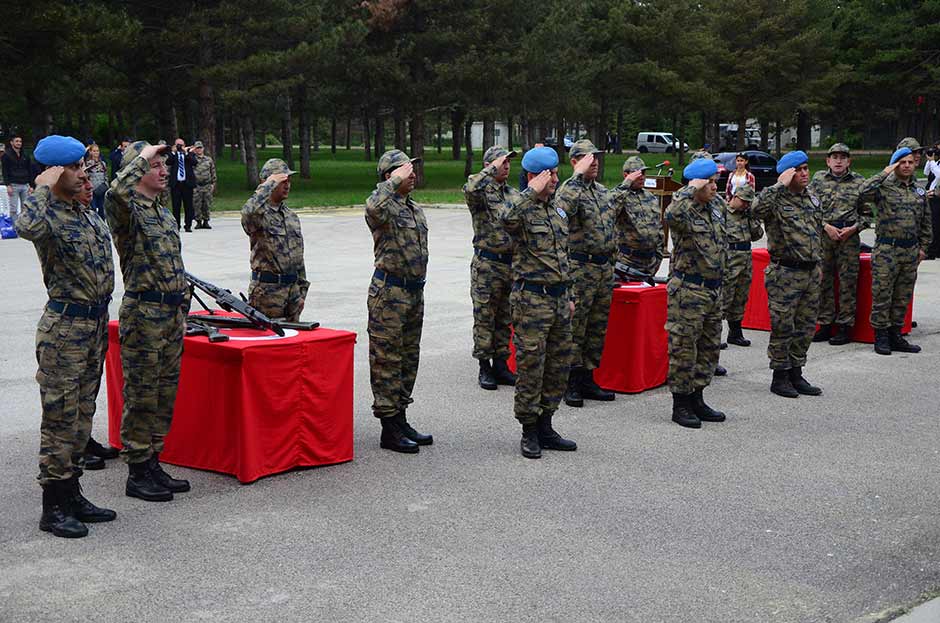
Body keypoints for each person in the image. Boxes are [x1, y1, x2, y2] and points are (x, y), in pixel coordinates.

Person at [15, 135, 117, 538]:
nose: (82, 173)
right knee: (60, 419)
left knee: (81, 416)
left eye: (82, 166)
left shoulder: (85, 212)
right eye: (73, 168)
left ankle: (72, 493)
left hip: (93, 325)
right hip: (65, 330)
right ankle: (53, 506)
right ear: (55, 172)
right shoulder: (47, 213)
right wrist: (41, 188)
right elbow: (26, 227)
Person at [106, 140, 191, 501]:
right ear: (139, 170)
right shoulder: (128, 210)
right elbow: (114, 192)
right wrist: (140, 156)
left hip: (171, 313)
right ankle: (137, 469)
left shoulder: (161, 211)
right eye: (155, 165)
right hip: (145, 313)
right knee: (141, 392)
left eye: (164, 165)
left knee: (164, 391)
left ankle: (153, 459)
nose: (164, 170)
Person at [500, 146, 576, 458]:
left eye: (558, 173)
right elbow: (505, 218)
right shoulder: (521, 208)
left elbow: (563, 257)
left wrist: (569, 295)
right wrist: (529, 192)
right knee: (531, 367)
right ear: (534, 176)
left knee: (557, 367)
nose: (557, 179)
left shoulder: (557, 210)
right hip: (532, 300)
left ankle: (547, 424)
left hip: (558, 300)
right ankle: (529, 430)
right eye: (551, 174)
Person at [365, 150, 433, 453]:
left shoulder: (414, 209)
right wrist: (393, 182)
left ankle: (401, 417)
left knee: (408, 358)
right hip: (389, 293)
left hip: (413, 292)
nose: (412, 173)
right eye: (405, 170)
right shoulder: (383, 206)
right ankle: (388, 427)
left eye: (413, 169)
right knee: (387, 360)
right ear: (389, 176)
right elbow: (372, 206)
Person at [752, 151, 823, 398]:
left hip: (811, 271)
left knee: (805, 326)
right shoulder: (775, 199)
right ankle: (779, 375)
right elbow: (755, 209)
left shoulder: (811, 197)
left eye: (806, 168)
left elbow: (816, 232)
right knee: (784, 326)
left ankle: (796, 371)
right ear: (788, 173)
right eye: (799, 170)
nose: (804, 174)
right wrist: (778, 184)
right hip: (785, 272)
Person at [663, 158, 727, 429]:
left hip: (713, 289)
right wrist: (690, 188)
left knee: (709, 347)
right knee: (684, 349)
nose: (715, 187)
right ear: (697, 184)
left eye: (715, 181)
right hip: (689, 289)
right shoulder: (684, 209)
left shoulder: (716, 207)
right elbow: (670, 215)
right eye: (709, 182)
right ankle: (681, 404)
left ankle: (698, 397)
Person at [555, 139, 616, 407]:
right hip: (581, 268)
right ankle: (571, 382)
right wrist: (577, 176)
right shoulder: (569, 190)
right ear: (575, 162)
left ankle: (589, 377)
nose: (596, 162)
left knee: (596, 326)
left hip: (603, 268)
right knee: (576, 326)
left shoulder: (602, 191)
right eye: (589, 159)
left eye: (597, 158)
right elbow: (561, 212)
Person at [858, 147, 931, 355]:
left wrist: (924, 248)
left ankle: (896, 335)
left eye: (910, 162)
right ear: (894, 164)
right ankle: (880, 337)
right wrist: (885, 172)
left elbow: (926, 222)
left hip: (910, 251)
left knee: (902, 296)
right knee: (882, 294)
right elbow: (862, 192)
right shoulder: (883, 188)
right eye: (902, 162)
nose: (907, 165)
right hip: (887, 250)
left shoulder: (919, 190)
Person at [463, 145, 520, 390]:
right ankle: (484, 367)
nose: (506, 165)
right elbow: (470, 188)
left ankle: (501, 365)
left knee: (504, 317)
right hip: (487, 264)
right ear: (489, 165)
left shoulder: (512, 193)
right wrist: (488, 171)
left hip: (510, 264)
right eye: (501, 162)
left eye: (508, 162)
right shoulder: (480, 192)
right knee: (485, 316)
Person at [807, 143, 868, 345]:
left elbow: (867, 214)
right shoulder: (817, 180)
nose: (839, 161)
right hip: (825, 236)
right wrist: (825, 226)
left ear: (849, 161)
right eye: (835, 157)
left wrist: (854, 228)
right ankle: (825, 324)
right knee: (823, 281)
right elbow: (809, 209)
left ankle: (844, 327)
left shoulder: (859, 181)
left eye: (843, 157)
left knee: (847, 283)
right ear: (828, 161)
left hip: (848, 237)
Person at [241, 158, 309, 322]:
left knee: (292, 342)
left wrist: (301, 292)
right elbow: (247, 213)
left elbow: (298, 257)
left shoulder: (291, 216)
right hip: (267, 293)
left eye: (289, 180)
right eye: (282, 181)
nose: (287, 185)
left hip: (292, 292)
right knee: (267, 343)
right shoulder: (258, 214)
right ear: (267, 183)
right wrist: (267, 185)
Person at [722, 184, 763, 347]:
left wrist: (752, 218)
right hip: (729, 258)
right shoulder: (723, 212)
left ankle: (735, 333)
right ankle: (714, 335)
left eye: (748, 202)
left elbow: (757, 235)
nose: (746, 205)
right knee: (725, 297)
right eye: (743, 201)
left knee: (740, 297)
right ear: (735, 197)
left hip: (745, 258)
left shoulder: (747, 215)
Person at [610, 156, 663, 280]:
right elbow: (610, 208)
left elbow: (659, 229)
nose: (642, 176)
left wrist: (658, 257)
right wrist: (626, 184)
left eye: (643, 173)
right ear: (626, 175)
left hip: (650, 263)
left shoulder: (650, 197)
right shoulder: (619, 195)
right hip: (627, 261)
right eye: (637, 173)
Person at [166, 138, 197, 232]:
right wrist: (173, 152)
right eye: (178, 145)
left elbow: (194, 162)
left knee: (188, 206)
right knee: (176, 206)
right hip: (176, 185)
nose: (180, 147)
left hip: (187, 184)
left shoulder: (189, 154)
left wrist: (186, 152)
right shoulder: (173, 155)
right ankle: (177, 225)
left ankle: (188, 225)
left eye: (181, 145)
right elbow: (168, 162)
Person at [3, 135, 34, 220]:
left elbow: (30, 170)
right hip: (14, 185)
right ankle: (14, 227)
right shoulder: (6, 155)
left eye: (20, 141)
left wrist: (31, 185)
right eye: (16, 141)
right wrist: (8, 185)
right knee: (13, 208)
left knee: (26, 207)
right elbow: (5, 171)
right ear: (11, 142)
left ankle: (23, 227)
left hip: (25, 185)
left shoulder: (25, 155)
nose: (19, 143)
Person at [192, 141, 217, 229]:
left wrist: (213, 184)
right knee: (197, 204)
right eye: (197, 148)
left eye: (200, 148)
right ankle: (198, 221)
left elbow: (213, 171)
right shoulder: (192, 159)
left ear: (203, 149)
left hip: (207, 185)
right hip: (196, 186)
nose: (199, 150)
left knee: (207, 204)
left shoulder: (208, 159)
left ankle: (206, 221)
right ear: (194, 149)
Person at [923, 146, 940, 259]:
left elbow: (939, 175)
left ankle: (933, 251)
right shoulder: (936, 163)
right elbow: (926, 172)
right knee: (933, 223)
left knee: (935, 224)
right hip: (932, 195)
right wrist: (930, 161)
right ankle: (934, 250)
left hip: (937, 196)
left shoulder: (936, 164)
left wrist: (932, 161)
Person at [84, 143, 109, 220]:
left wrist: (106, 184)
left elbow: (106, 175)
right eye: (94, 151)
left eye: (97, 151)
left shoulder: (103, 163)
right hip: (92, 189)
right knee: (93, 208)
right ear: (90, 152)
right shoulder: (87, 164)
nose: (96, 153)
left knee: (102, 208)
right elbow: (85, 177)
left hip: (101, 188)